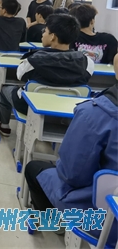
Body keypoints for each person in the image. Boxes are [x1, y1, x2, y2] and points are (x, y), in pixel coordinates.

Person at [24, 53, 118, 246]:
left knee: (34, 168)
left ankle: (53, 221)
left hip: (108, 223)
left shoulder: (95, 115)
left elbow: (72, 176)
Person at [0, 14, 94, 136]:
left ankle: (4, 125)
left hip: (32, 108)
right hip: (69, 110)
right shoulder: (87, 62)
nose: (43, 34)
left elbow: (20, 75)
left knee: (5, 89)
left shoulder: (33, 61)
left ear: (52, 36)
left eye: (45, 31)